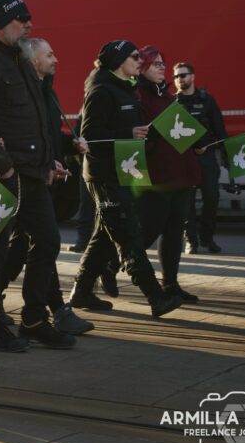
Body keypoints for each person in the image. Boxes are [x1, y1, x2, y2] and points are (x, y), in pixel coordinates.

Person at [0, 0, 72, 350]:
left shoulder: (21, 61)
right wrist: (3, 167)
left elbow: (35, 117)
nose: (28, 26)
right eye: (21, 20)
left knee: (49, 241)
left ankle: (35, 318)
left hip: (32, 172)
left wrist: (49, 159)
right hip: (3, 177)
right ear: (2, 23)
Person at [69, 40, 184, 319]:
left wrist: (147, 134)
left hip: (124, 170)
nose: (139, 60)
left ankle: (82, 291)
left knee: (104, 237)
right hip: (103, 175)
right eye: (134, 57)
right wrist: (128, 133)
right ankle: (155, 296)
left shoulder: (126, 89)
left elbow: (126, 132)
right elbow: (91, 138)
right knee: (128, 235)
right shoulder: (100, 90)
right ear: (120, 61)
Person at [0, 38, 93, 336]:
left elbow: (47, 134)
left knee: (26, 246)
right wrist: (43, 162)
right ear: (33, 61)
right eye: (49, 54)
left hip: (41, 175)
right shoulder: (22, 92)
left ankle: (19, 307)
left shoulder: (44, 91)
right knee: (44, 241)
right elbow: (18, 136)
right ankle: (37, 314)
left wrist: (66, 146)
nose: (56, 59)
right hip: (22, 178)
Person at [135, 47, 200, 303]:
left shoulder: (168, 95)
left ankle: (170, 283)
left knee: (174, 230)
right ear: (142, 68)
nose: (162, 68)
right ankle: (115, 265)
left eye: (163, 63)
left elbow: (180, 129)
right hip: (157, 175)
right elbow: (142, 138)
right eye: (155, 64)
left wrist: (198, 142)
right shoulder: (138, 95)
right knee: (150, 229)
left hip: (180, 173)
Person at [173, 62, 228, 254]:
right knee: (186, 203)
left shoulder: (207, 101)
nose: (180, 79)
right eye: (177, 76)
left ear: (193, 77)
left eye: (184, 75)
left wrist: (227, 156)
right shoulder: (173, 104)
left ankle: (207, 238)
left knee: (212, 197)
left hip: (207, 158)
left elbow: (220, 130)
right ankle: (191, 241)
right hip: (184, 160)